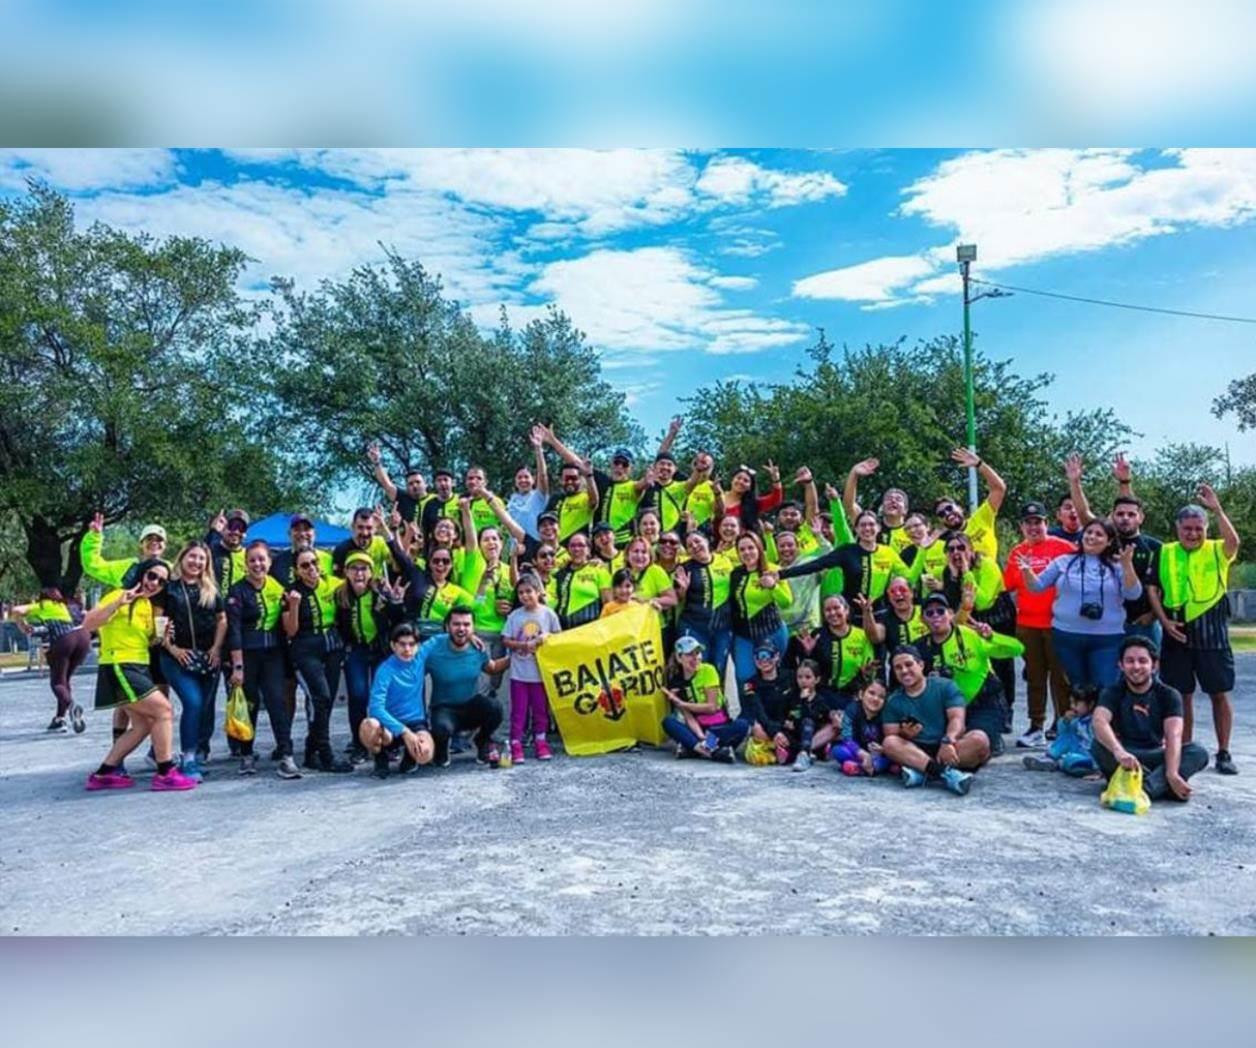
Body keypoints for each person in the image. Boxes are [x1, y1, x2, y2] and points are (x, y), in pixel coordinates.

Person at [1148, 486, 1241, 775]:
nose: (1192, 534)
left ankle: (1223, 751)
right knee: (1180, 695)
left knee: (1219, 693)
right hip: (1176, 634)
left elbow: (1234, 541)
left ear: (1205, 528)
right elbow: (1152, 587)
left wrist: (1218, 510)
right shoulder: (1164, 551)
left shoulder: (1216, 549)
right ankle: (1183, 747)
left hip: (1212, 633)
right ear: (1177, 528)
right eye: (1187, 528)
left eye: (1198, 528)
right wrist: (1163, 621)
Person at [81, 559, 197, 792]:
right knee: (164, 710)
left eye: (162, 581)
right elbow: (88, 623)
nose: (155, 583)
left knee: (143, 724)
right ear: (142, 574)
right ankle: (165, 771)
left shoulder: (146, 606)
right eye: (152, 576)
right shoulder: (118, 595)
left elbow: (147, 640)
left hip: (138, 665)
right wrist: (117, 603)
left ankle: (105, 773)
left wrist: (161, 636)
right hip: (119, 665)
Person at [1018, 518, 1142, 691]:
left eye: (1099, 534)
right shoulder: (1063, 561)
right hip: (1067, 636)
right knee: (1077, 690)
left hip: (1106, 639)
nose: (1092, 537)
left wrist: (1127, 565)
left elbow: (1133, 594)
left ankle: (1101, 718)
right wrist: (1026, 570)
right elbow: (1036, 587)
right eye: (1089, 532)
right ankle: (1079, 719)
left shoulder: (1117, 565)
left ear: (1109, 541)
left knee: (1104, 689)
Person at [1091, 637, 1210, 801]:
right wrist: (1119, 752)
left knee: (1197, 752)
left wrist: (1172, 772)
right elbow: (1099, 721)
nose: (1136, 667)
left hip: (1155, 754)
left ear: (1154, 665)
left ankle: (1143, 788)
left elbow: (1173, 735)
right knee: (1098, 745)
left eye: (1142, 661)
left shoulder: (1169, 695)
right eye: (1130, 661)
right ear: (1121, 665)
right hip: (1126, 756)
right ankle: (1160, 787)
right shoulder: (1112, 692)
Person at [1066, 452, 1163, 645]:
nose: (1125, 518)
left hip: (1143, 624)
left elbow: (1164, 588)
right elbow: (1084, 513)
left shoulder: (1155, 547)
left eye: (1130, 514)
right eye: (1119, 514)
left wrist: (1153, 615)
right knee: (1109, 674)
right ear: (1113, 516)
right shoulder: (1106, 541)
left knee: (1146, 673)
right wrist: (1075, 483)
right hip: (1108, 624)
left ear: (1141, 517)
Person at [225, 540, 301, 778]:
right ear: (246, 564)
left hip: (274, 654)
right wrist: (237, 667)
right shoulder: (237, 591)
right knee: (249, 705)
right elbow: (233, 630)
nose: (258, 564)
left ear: (269, 562)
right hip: (247, 654)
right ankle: (246, 755)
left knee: (277, 702)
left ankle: (286, 755)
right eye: (252, 560)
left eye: (262, 559)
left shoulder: (278, 588)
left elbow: (288, 628)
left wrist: (293, 606)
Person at [1002, 501, 1075, 746]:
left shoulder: (1064, 548)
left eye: (1038, 522)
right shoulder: (1017, 552)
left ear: (1046, 523)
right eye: (1028, 523)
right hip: (1028, 624)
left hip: (1058, 623)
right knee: (1034, 677)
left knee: (1060, 677)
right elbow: (1007, 585)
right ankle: (1036, 725)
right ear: (1022, 526)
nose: (1034, 527)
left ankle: (1062, 724)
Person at [916, 593, 1023, 755]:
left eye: (941, 611)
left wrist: (992, 636)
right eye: (930, 613)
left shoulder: (971, 635)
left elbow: (1017, 649)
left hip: (983, 704)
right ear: (923, 620)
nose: (936, 616)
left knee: (977, 741)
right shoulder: (920, 647)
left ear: (951, 614)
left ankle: (935, 762)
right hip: (948, 709)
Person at [159, 541, 227, 781]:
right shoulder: (168, 589)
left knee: (206, 708)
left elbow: (222, 620)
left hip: (207, 657)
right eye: (192, 557)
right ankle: (187, 758)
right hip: (177, 658)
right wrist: (173, 648)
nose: (196, 562)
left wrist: (217, 649)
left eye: (201, 558)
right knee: (194, 702)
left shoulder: (211, 589)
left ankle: (197, 754)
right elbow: (159, 624)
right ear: (182, 557)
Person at [881, 645, 989, 795]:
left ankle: (924, 773)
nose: (904, 671)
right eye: (898, 668)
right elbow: (890, 736)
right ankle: (946, 774)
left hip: (948, 746)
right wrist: (906, 735)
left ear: (921, 665)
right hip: (917, 750)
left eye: (909, 664)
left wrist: (948, 740)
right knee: (890, 743)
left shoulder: (945, 686)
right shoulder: (893, 700)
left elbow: (957, 718)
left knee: (980, 739)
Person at [281, 549, 353, 773]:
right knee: (320, 696)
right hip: (305, 648)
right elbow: (290, 631)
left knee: (327, 701)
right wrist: (293, 606)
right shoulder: (291, 592)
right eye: (304, 565)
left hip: (332, 647)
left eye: (314, 562)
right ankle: (325, 752)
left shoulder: (334, 585)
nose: (311, 568)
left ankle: (311, 750)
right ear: (297, 571)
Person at [772, 509, 921, 610]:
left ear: (879, 528)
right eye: (862, 525)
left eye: (871, 524)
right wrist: (781, 574)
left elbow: (910, 577)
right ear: (856, 529)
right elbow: (816, 564)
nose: (867, 529)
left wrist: (923, 551)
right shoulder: (847, 551)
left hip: (878, 612)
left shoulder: (888, 552)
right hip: (849, 612)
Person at [337, 549, 406, 765]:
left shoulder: (380, 593)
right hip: (355, 649)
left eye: (364, 569)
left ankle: (390, 742)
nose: (359, 574)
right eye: (354, 569)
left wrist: (394, 601)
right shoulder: (340, 595)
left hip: (379, 650)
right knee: (358, 696)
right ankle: (360, 744)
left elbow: (397, 618)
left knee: (383, 697)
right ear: (347, 572)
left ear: (371, 572)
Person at [425, 607, 510, 767]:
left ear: (473, 628)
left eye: (466, 624)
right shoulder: (433, 648)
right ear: (447, 626)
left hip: (471, 707)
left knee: (495, 707)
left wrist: (516, 656)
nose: (461, 628)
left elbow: (491, 668)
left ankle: (482, 741)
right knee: (442, 729)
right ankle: (441, 749)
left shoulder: (478, 648)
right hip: (444, 709)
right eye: (456, 624)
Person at [360, 623, 437, 779]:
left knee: (425, 755)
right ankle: (381, 760)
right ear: (393, 646)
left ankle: (410, 756)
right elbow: (375, 708)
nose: (407, 649)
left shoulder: (421, 656)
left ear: (418, 646)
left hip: (416, 722)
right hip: (390, 727)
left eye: (411, 644)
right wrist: (404, 732)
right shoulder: (385, 670)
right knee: (369, 726)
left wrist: (472, 636)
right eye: (402, 644)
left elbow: (446, 637)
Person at [501, 573, 562, 763]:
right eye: (520, 593)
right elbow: (506, 639)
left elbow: (559, 637)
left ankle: (541, 742)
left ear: (538, 592)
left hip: (540, 674)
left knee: (540, 710)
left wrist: (547, 638)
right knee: (518, 711)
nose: (525, 596)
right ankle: (516, 744)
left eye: (529, 591)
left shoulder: (548, 614)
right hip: (519, 674)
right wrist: (521, 646)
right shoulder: (515, 616)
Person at [920, 448, 1008, 577]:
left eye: (949, 508)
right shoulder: (947, 542)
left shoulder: (981, 517)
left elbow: (999, 489)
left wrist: (979, 464)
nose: (947, 514)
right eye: (942, 514)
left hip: (993, 584)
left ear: (960, 508)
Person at [12, 589, 90, 733]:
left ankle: (72, 706)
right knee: (65, 680)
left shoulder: (43, 605)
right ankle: (59, 719)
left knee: (57, 682)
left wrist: (21, 625)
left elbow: (16, 610)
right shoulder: (64, 605)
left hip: (65, 639)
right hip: (83, 638)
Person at [661, 635, 743, 763]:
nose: (696, 658)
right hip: (697, 729)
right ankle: (712, 752)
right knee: (668, 722)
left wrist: (681, 703)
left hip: (717, 727)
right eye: (690, 654)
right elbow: (688, 717)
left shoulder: (708, 670)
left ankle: (693, 748)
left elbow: (712, 707)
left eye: (698, 653)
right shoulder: (675, 681)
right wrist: (700, 736)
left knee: (742, 725)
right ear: (679, 657)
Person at [727, 532, 792, 686]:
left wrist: (773, 586)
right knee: (745, 678)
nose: (747, 553)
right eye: (742, 550)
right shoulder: (736, 574)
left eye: (751, 547)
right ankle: (752, 710)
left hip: (772, 631)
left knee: (773, 676)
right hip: (744, 636)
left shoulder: (773, 569)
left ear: (759, 548)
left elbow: (786, 602)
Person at [789, 594, 879, 703]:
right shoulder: (817, 635)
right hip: (822, 694)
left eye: (836, 608)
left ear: (846, 610)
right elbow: (807, 671)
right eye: (828, 610)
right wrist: (808, 652)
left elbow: (868, 670)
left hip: (852, 694)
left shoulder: (861, 636)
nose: (832, 613)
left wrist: (866, 674)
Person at [672, 530, 732, 680]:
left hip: (722, 627)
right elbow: (677, 600)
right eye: (690, 545)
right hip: (694, 626)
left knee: (719, 669)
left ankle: (716, 703)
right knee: (696, 669)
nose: (695, 546)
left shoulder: (725, 561)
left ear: (707, 541)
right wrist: (683, 590)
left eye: (697, 541)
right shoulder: (684, 568)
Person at [1022, 687, 1100, 776]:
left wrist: (1098, 769)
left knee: (1070, 761)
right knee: (1066, 738)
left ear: (1090, 704)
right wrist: (1065, 721)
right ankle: (1050, 758)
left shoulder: (1095, 722)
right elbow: (1062, 733)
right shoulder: (1076, 719)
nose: (1072, 706)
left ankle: (1061, 764)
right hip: (1076, 749)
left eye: (1076, 703)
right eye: (1071, 703)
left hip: (1089, 756)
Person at [781, 658, 841, 771]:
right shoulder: (791, 696)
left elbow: (813, 715)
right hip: (795, 733)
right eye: (800, 677)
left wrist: (834, 716)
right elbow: (781, 715)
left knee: (810, 722)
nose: (803, 681)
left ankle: (803, 754)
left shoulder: (820, 700)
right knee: (785, 734)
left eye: (808, 677)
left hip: (812, 735)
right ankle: (809, 753)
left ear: (817, 679)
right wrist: (785, 722)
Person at [842, 457, 912, 553]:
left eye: (898, 499)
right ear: (882, 507)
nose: (893, 501)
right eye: (888, 499)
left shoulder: (913, 531)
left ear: (905, 509)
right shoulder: (870, 525)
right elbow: (849, 506)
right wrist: (854, 474)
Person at [832, 677, 897, 777]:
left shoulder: (886, 715)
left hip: (877, 755)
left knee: (888, 759)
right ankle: (870, 768)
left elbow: (892, 738)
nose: (876, 699)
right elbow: (846, 736)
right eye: (871, 693)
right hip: (856, 751)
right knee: (837, 751)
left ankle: (859, 768)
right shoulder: (852, 709)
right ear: (861, 694)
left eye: (881, 697)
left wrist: (882, 749)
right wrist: (862, 753)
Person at [547, 532, 611, 629]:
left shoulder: (598, 569)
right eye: (572, 546)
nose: (576, 549)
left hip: (591, 630)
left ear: (588, 550)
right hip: (563, 631)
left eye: (581, 545)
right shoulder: (558, 574)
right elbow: (550, 602)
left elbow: (608, 603)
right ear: (568, 550)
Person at [740, 643, 792, 760]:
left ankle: (781, 749)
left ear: (777, 656)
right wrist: (774, 732)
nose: (764, 660)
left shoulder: (789, 677)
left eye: (768, 655)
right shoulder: (750, 684)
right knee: (757, 729)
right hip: (764, 724)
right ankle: (779, 748)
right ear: (754, 659)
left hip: (783, 723)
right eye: (759, 656)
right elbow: (758, 712)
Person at [367, 442, 432, 526]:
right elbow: (386, 484)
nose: (414, 485)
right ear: (407, 486)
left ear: (426, 484)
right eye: (410, 484)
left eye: (418, 482)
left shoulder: (434, 500)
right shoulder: (403, 498)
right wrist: (377, 462)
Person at [873, 577, 928, 672]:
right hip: (901, 673)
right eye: (892, 592)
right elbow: (876, 638)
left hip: (927, 668)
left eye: (902, 590)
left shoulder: (926, 611)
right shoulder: (884, 617)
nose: (898, 594)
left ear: (912, 593)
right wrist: (867, 613)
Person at [714, 461, 783, 534]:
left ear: (750, 487)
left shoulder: (752, 504)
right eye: (738, 478)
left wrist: (776, 479)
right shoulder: (717, 495)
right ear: (732, 480)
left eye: (746, 481)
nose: (741, 482)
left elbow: (775, 499)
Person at [508, 427, 551, 541]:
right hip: (515, 551)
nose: (523, 480)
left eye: (526, 477)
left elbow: (543, 476)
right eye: (519, 477)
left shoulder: (538, 496)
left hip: (535, 546)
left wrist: (538, 449)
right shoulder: (512, 499)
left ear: (533, 479)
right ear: (515, 481)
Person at [332, 507, 396, 578]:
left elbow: (398, 565)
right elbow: (337, 580)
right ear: (353, 527)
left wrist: (385, 528)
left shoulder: (380, 542)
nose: (365, 533)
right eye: (360, 527)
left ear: (375, 529)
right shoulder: (341, 549)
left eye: (369, 528)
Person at [418, 468, 462, 546]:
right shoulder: (429, 504)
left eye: (445, 480)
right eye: (439, 480)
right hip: (435, 548)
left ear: (453, 483)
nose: (442, 483)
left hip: (458, 547)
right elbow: (425, 530)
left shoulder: (460, 501)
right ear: (435, 484)